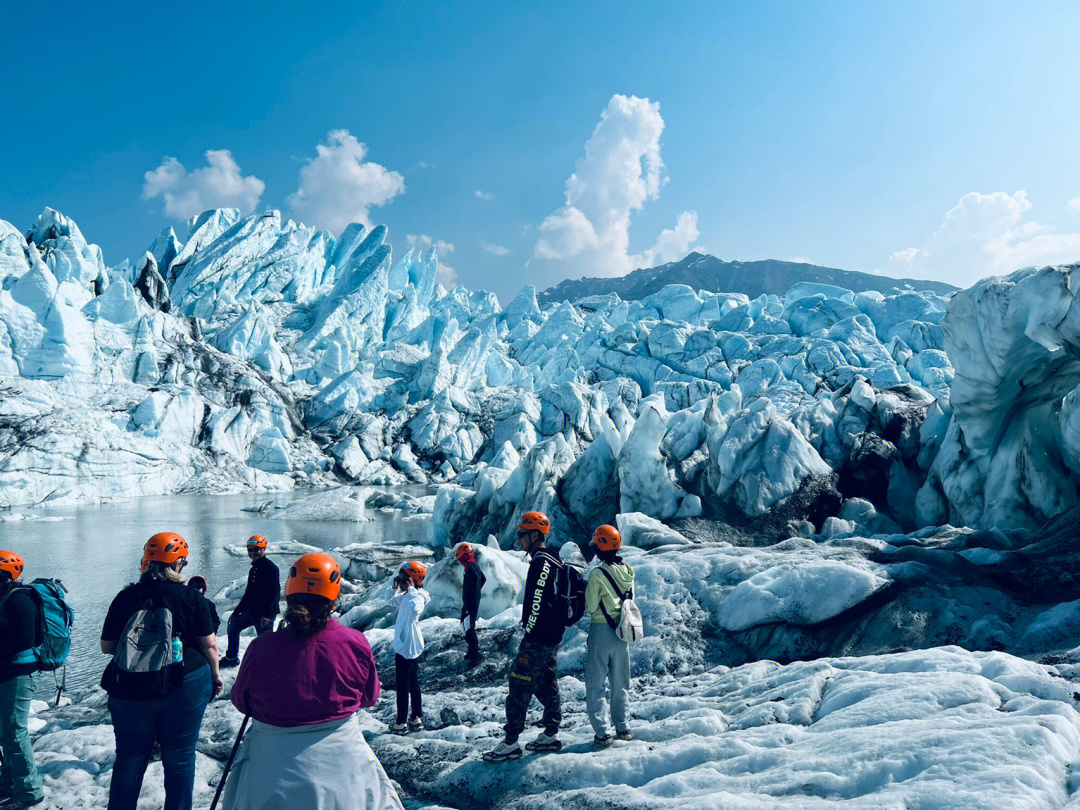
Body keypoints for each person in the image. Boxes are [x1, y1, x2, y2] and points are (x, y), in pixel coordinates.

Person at [222, 553, 403, 809]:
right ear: (333, 600)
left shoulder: (261, 647)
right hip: (344, 768)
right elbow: (370, 697)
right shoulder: (354, 642)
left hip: (271, 768)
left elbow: (241, 701)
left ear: (290, 595)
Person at [100, 532, 223, 810]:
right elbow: (209, 645)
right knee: (179, 757)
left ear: (146, 562)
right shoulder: (191, 597)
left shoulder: (125, 596)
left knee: (129, 759)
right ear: (178, 564)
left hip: (129, 688)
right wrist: (215, 676)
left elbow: (107, 647)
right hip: (184, 683)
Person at [484, 511, 567, 762]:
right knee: (545, 680)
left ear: (534, 535)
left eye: (522, 534)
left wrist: (529, 630)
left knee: (519, 684)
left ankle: (511, 741)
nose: (518, 538)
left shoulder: (542, 562)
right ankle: (551, 732)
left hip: (539, 637)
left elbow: (537, 599)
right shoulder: (553, 559)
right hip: (551, 636)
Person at [0, 550, 44, 809]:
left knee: (14, 731)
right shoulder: (5, 596)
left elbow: (25, 639)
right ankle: (9, 783)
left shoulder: (20, 599)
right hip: (7, 671)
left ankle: (30, 791)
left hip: (19, 673)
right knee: (5, 731)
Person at [584, 525, 635, 746]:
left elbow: (591, 605)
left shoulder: (597, 573)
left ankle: (602, 732)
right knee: (620, 682)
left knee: (595, 682)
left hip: (601, 630)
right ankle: (623, 728)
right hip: (622, 632)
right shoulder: (628, 571)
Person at [221, 535, 280, 668]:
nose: (252, 553)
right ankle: (231, 657)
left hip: (264, 614)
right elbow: (248, 594)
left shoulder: (271, 568)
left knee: (266, 643)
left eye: (256, 549)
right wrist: (236, 613)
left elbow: (274, 593)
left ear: (263, 549)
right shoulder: (254, 569)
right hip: (252, 611)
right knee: (233, 627)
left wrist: (267, 615)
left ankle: (269, 669)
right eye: (250, 550)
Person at [391, 562, 430, 733]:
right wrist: (393, 588)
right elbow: (389, 601)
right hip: (406, 646)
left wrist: (412, 589)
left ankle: (401, 722)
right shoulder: (406, 596)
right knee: (413, 683)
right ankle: (416, 717)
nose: (401, 583)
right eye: (399, 580)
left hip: (408, 646)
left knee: (403, 686)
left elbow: (415, 611)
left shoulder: (417, 597)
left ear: (413, 580)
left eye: (403, 580)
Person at [455, 543, 486, 666]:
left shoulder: (470, 565)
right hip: (472, 600)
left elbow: (478, 579)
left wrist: (472, 594)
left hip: (470, 601)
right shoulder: (473, 564)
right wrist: (477, 591)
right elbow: (483, 578)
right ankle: (472, 650)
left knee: (468, 626)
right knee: (466, 623)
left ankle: (475, 653)